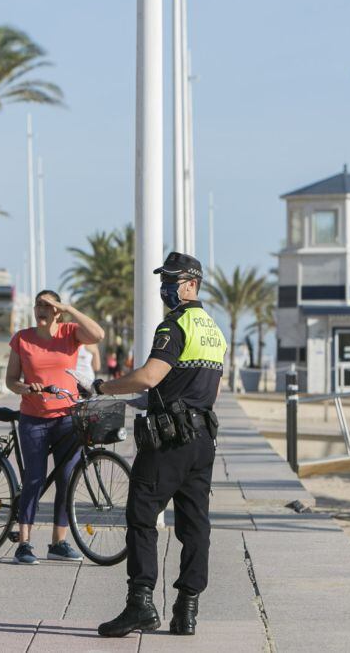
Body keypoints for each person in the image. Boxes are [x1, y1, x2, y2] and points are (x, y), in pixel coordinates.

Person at [94, 252, 225, 638]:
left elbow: (151, 377)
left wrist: (103, 387)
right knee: (194, 523)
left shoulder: (175, 326)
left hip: (169, 440)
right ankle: (187, 611)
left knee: (141, 512)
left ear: (191, 285)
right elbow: (189, 386)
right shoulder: (214, 330)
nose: (165, 288)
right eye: (164, 280)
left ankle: (141, 604)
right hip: (203, 439)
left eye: (172, 281)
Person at [5, 290, 104, 565]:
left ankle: (58, 542)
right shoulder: (23, 338)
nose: (41, 309)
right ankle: (24, 543)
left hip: (66, 418)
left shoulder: (71, 333)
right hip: (34, 418)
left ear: (57, 310)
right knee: (34, 479)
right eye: (38, 304)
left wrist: (70, 308)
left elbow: (98, 335)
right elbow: (11, 381)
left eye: (48, 305)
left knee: (66, 479)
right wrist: (27, 388)